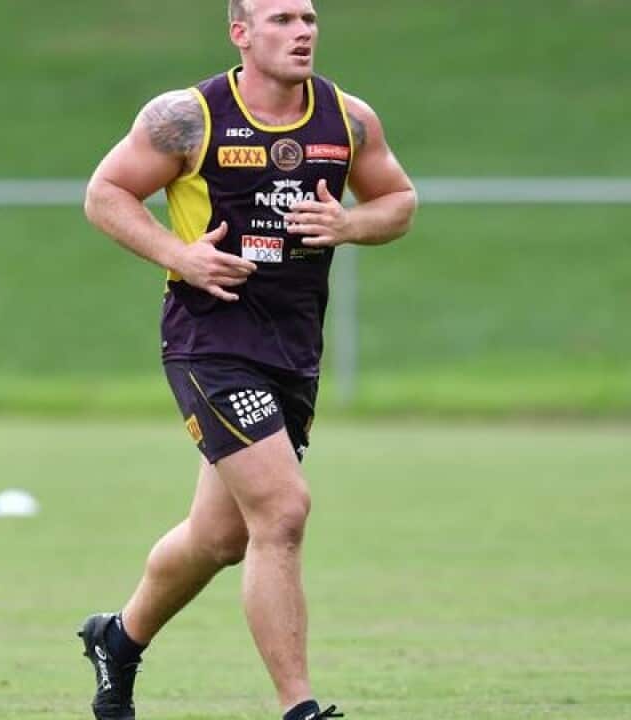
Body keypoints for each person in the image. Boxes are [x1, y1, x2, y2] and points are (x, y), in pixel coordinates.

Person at [78, 1, 416, 718]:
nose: (302, 32)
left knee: (222, 536)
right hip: (210, 341)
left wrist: (350, 223)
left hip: (293, 347)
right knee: (284, 509)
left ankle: (119, 638)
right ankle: (300, 708)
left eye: (309, 18)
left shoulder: (348, 118)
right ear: (241, 32)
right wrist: (180, 255)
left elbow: (400, 201)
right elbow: (105, 193)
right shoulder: (187, 117)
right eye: (281, 19)